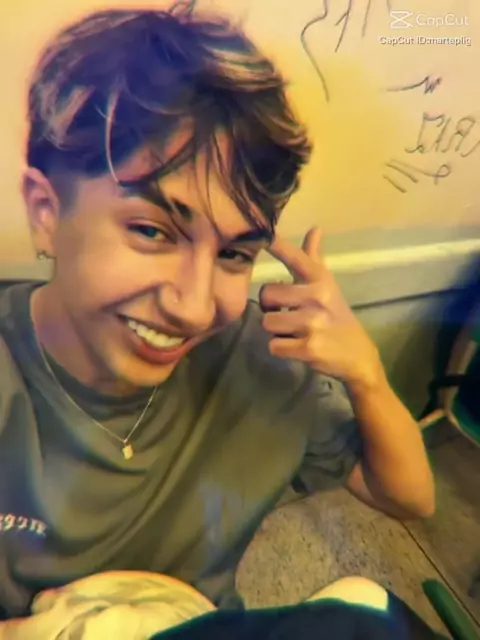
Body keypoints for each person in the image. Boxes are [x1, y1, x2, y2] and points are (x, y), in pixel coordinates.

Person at [0, 0, 435, 622]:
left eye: (233, 253)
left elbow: (410, 498)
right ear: (47, 213)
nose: (194, 307)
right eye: (152, 231)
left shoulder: (263, 359)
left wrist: (366, 374)